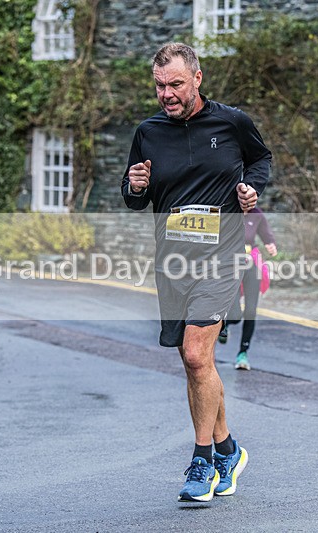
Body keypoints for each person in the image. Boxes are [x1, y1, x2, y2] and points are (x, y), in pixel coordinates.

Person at [121, 42, 271, 502]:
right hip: (174, 262)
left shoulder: (231, 123)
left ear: (198, 79)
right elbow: (134, 196)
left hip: (222, 257)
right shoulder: (147, 133)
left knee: (194, 354)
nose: (167, 93)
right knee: (197, 363)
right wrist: (134, 185)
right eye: (160, 85)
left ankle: (202, 462)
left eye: (176, 84)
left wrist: (250, 191)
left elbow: (260, 161)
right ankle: (229, 449)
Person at [218, 206, 278, 370]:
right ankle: (224, 325)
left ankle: (243, 354)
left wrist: (270, 244)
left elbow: (267, 234)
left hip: (252, 264)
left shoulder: (256, 214)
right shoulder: (227, 211)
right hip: (231, 265)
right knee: (235, 314)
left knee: (251, 311)